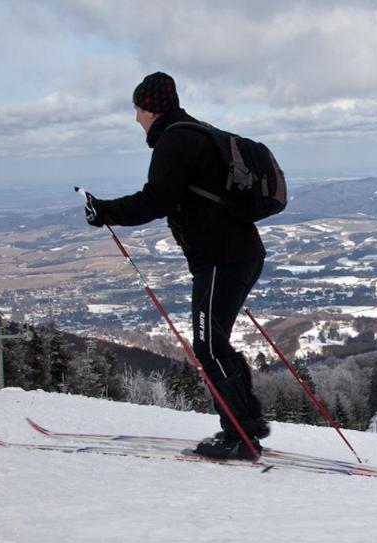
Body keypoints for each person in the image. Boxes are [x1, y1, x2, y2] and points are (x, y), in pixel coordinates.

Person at [83, 72, 267, 459]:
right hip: (235, 254)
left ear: (151, 108)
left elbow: (156, 200)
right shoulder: (195, 132)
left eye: (137, 109)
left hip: (222, 258)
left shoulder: (174, 141)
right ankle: (247, 425)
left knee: (209, 345)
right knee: (213, 343)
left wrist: (105, 211)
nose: (136, 118)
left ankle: (240, 436)